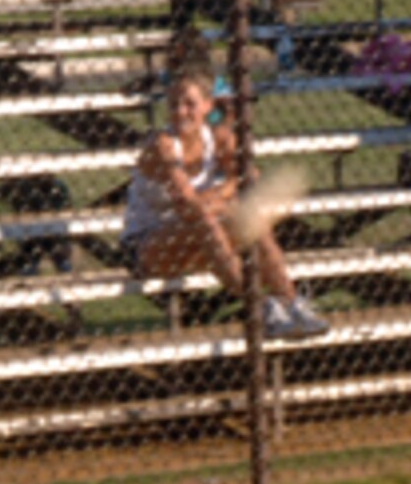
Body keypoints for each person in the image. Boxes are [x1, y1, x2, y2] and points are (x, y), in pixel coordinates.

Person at [124, 70, 330, 338]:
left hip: (204, 241)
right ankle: (260, 308)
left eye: (190, 104)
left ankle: (292, 302)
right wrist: (228, 191)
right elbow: (189, 209)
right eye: (173, 104)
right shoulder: (164, 145)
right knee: (209, 220)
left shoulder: (218, 138)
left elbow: (251, 180)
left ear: (208, 105)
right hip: (150, 247)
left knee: (251, 222)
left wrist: (222, 195)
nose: (180, 111)